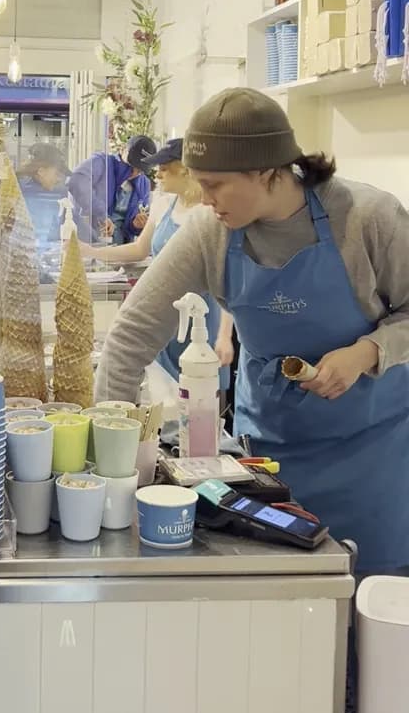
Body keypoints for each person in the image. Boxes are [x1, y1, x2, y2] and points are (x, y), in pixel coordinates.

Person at [96, 88, 409, 575]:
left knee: (373, 616)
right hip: (268, 467)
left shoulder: (368, 219)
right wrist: (110, 470)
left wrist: (367, 352)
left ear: (269, 171)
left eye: (217, 184)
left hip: (374, 460)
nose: (206, 198)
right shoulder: (209, 234)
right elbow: (128, 340)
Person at [83, 138, 234, 386]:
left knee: (200, 389)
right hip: (162, 313)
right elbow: (140, 249)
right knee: (165, 391)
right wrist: (91, 251)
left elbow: (228, 278)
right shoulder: (162, 205)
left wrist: (225, 336)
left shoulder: (210, 213)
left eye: (165, 169)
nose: (158, 175)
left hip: (201, 317)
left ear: (185, 171)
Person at [67, 134, 155, 245]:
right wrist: (102, 214)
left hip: (120, 250)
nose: (134, 172)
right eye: (132, 165)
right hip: (89, 242)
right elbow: (76, 181)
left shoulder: (143, 184)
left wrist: (136, 225)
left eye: (140, 169)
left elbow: (131, 229)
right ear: (122, 150)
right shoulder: (101, 163)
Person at [18, 143, 68, 248]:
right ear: (41, 171)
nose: (59, 179)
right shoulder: (33, 195)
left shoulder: (21, 187)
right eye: (56, 174)